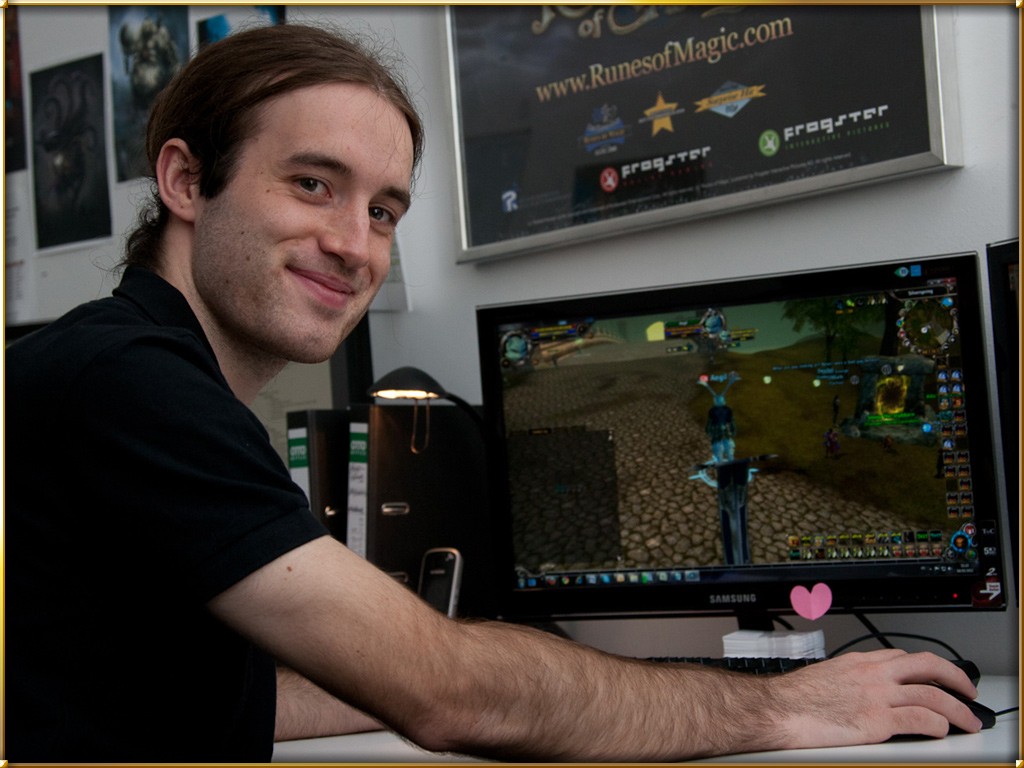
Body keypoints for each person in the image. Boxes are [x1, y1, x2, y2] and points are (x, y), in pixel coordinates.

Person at [5, 22, 985, 763]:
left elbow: (224, 694)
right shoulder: (127, 385)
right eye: (311, 184)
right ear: (185, 180)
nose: (354, 244)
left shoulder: (133, 375)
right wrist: (781, 706)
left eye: (384, 210)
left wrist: (650, 685)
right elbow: (448, 696)